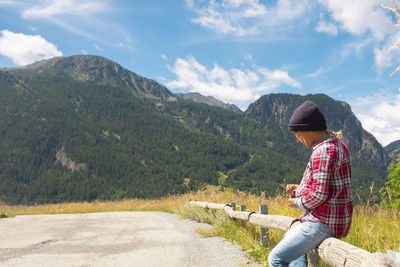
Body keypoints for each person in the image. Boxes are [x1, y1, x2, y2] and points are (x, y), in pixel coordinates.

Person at [268, 101, 353, 267]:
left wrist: (296, 202)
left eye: (299, 135)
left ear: (310, 129)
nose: (298, 141)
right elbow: (326, 188)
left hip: (323, 221)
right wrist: (300, 189)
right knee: (292, 248)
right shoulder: (335, 145)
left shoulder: (324, 152)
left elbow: (319, 195)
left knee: (276, 259)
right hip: (330, 219)